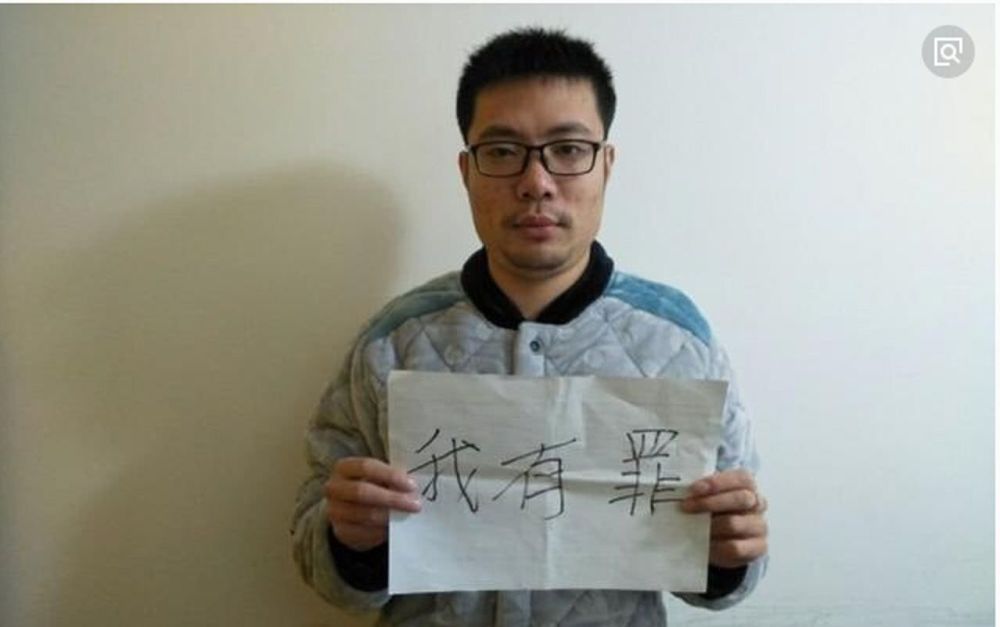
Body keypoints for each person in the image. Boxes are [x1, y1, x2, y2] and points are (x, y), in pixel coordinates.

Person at [291, 27, 768, 626]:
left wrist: (728, 554)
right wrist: (350, 541)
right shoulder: (393, 343)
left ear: (606, 166)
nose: (537, 182)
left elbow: (728, 569)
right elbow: (318, 549)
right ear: (466, 170)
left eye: (568, 149)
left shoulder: (677, 342)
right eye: (502, 151)